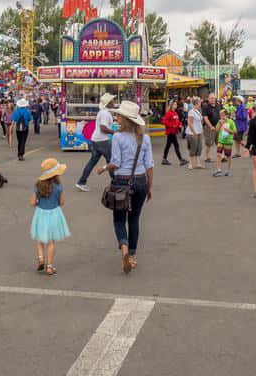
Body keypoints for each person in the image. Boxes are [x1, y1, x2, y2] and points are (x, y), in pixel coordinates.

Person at [95, 100, 154, 274]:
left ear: (125, 119)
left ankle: (124, 250)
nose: (116, 117)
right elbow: (149, 164)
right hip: (141, 180)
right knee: (134, 219)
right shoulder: (145, 138)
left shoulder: (118, 137)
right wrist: (150, 187)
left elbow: (116, 162)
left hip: (121, 181)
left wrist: (103, 168)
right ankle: (132, 257)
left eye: (119, 115)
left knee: (119, 219)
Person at [30, 158, 70, 276]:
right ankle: (49, 266)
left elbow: (32, 202)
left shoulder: (38, 185)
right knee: (51, 241)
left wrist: (38, 202)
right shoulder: (58, 186)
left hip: (41, 213)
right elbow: (62, 202)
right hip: (54, 213)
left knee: (40, 238)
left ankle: (41, 259)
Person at [76, 93, 115, 191]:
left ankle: (81, 182)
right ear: (108, 103)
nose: (114, 102)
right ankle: (115, 183)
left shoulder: (103, 112)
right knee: (111, 162)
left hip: (95, 140)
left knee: (92, 162)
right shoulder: (105, 114)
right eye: (112, 101)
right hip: (103, 141)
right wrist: (115, 132)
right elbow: (103, 128)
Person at [160, 99, 185, 166]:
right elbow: (164, 121)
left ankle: (164, 159)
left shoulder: (175, 113)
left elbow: (177, 121)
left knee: (168, 146)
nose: (176, 105)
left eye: (176, 104)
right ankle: (181, 160)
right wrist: (172, 125)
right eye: (174, 104)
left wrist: (180, 124)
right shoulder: (169, 113)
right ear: (171, 105)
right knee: (176, 145)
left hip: (174, 132)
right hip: (171, 132)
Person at [213, 107, 237, 177]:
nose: (222, 116)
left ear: (227, 115)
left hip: (228, 142)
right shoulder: (220, 121)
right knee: (218, 155)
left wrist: (228, 130)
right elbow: (216, 130)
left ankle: (228, 170)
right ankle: (218, 169)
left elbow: (235, 131)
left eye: (223, 115)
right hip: (220, 141)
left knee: (228, 156)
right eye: (220, 115)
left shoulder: (231, 122)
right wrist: (220, 123)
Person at [201, 94, 221, 164]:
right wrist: (210, 126)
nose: (212, 99)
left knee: (219, 142)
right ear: (208, 99)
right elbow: (205, 118)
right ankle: (206, 157)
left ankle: (220, 156)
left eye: (213, 98)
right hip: (209, 128)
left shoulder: (218, 106)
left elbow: (220, 115)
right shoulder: (205, 107)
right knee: (209, 143)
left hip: (218, 126)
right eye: (211, 98)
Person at [185, 96, 203, 170]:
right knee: (193, 148)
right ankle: (190, 163)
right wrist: (194, 132)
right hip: (192, 133)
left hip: (199, 132)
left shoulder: (198, 111)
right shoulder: (191, 111)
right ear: (196, 103)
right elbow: (190, 123)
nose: (200, 104)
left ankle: (198, 163)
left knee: (199, 148)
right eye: (199, 103)